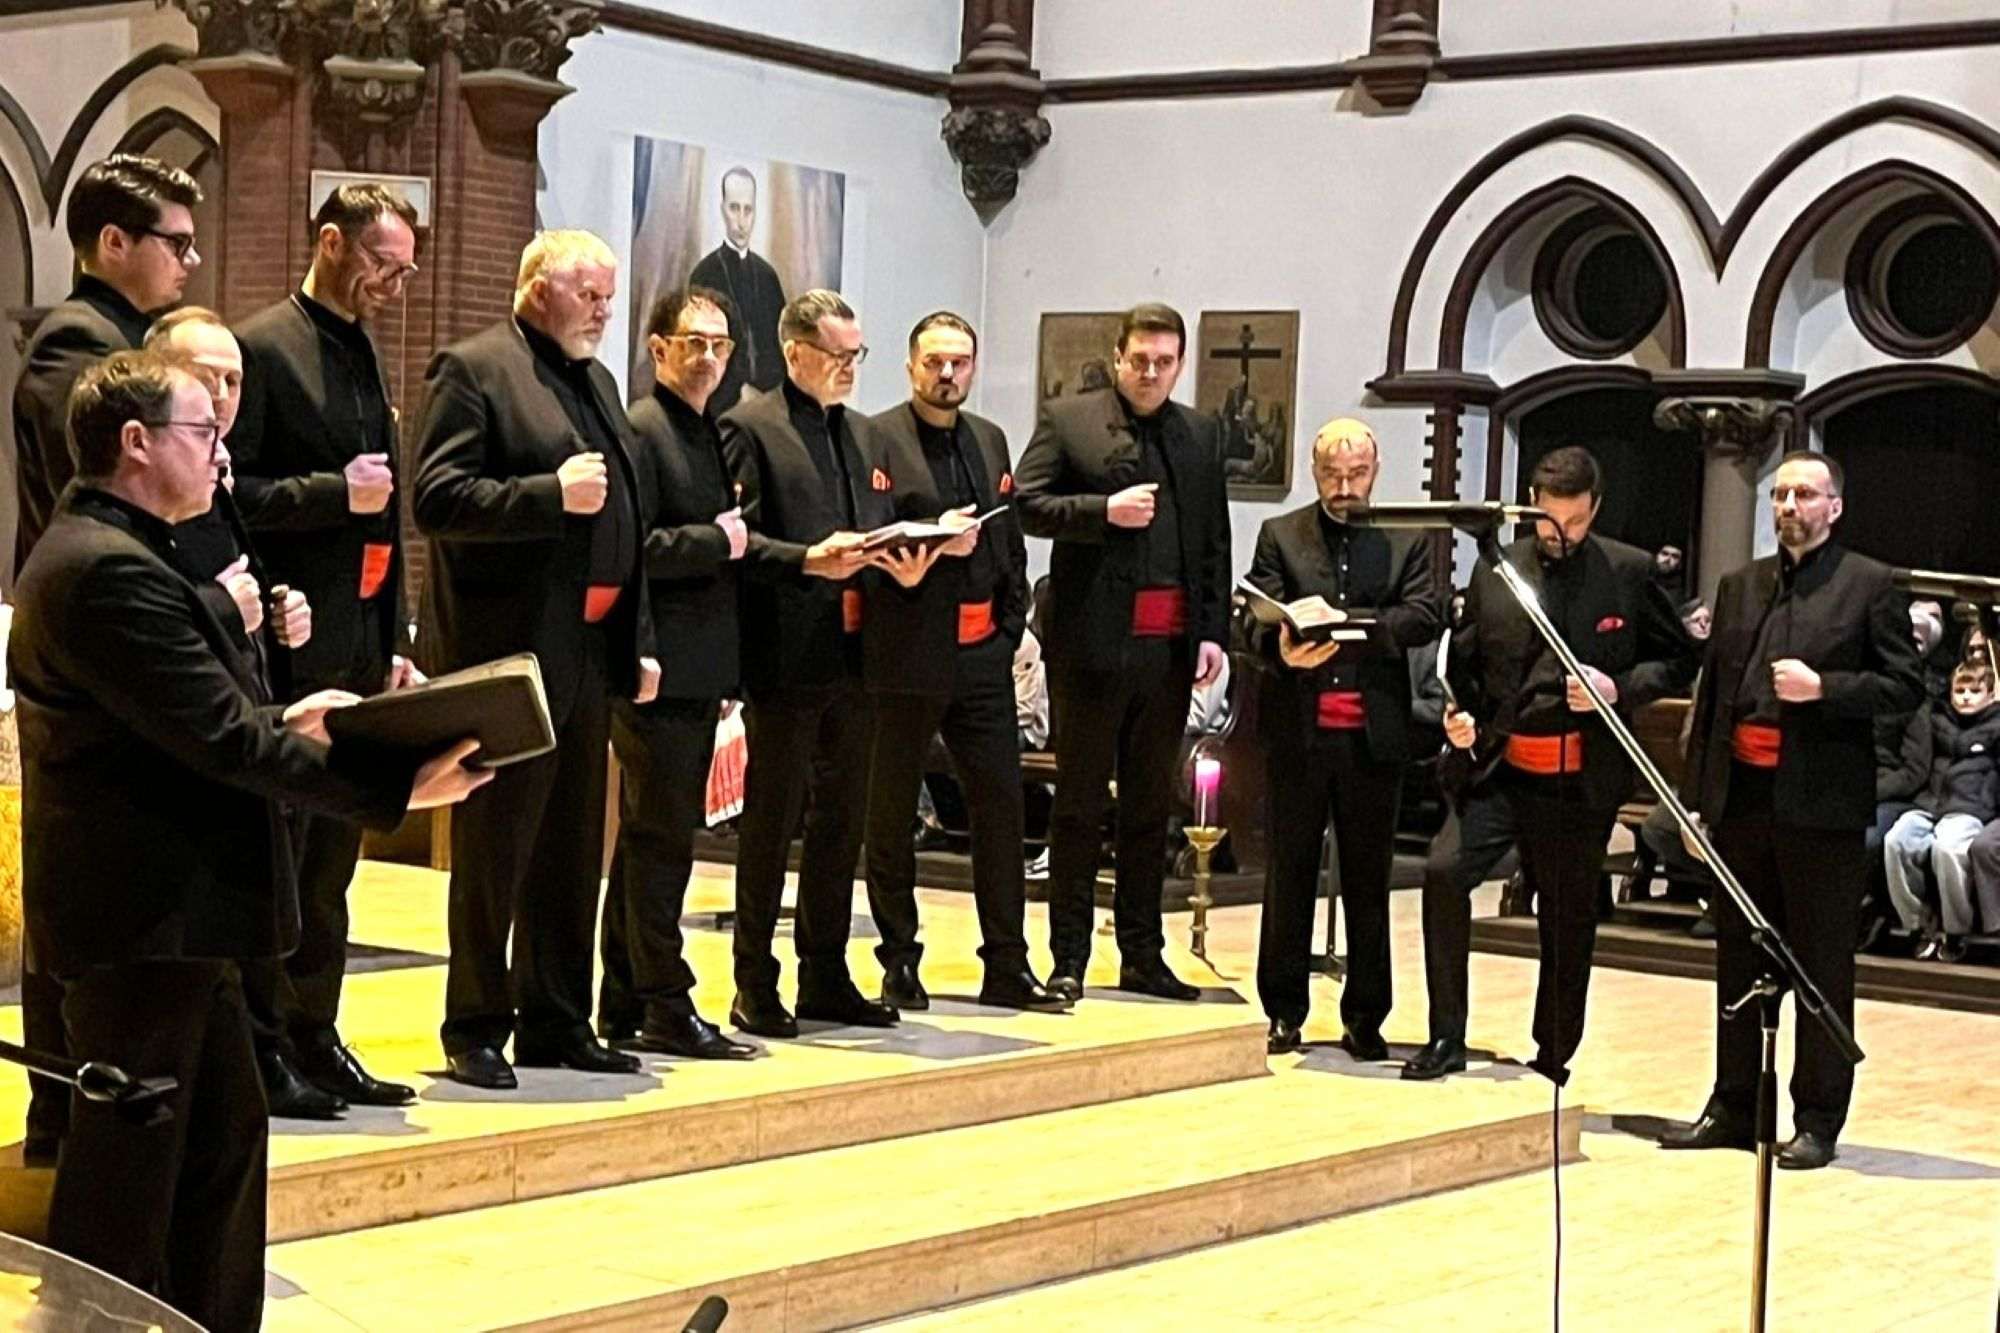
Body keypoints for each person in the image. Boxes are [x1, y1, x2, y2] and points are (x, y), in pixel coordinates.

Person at [8, 348, 485, 1330]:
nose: (222, 453)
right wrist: (391, 781)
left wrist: (297, 716)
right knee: (131, 1179)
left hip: (179, 918)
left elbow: (203, 716)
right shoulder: (102, 569)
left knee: (221, 1142)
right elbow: (219, 738)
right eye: (203, 432)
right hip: (141, 919)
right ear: (136, 443)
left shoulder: (129, 550)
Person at [413, 229, 660, 1090]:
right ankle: (476, 1023)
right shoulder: (473, 368)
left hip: (590, 646)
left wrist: (642, 637)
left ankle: (559, 1017)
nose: (604, 308)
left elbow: (629, 517)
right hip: (507, 648)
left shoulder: (595, 380)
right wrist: (547, 494)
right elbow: (437, 498)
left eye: (608, 294)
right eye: (589, 292)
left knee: (570, 841)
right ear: (536, 287)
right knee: (497, 841)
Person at [8, 152, 203, 1166]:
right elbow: (97, 485)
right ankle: (61, 1112)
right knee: (81, 893)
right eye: (174, 240)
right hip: (95, 635)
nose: (191, 258)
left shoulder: (127, 341)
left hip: (128, 628)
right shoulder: (75, 348)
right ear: (112, 243)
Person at [225, 181, 426, 1116]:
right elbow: (235, 499)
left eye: (408, 265)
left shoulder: (368, 350)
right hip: (290, 652)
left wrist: (396, 638)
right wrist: (324, 491)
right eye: (386, 261)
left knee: (333, 864)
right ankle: (264, 1045)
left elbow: (386, 519)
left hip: (357, 647)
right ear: (333, 242)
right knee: (283, 864)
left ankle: (315, 1032)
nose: (400, 279)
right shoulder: (264, 348)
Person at [1662, 450, 1921, 1170]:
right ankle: (1735, 1103)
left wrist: (1825, 688)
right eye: (1780, 494)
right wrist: (1695, 802)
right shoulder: (1740, 585)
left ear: (1834, 507)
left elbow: (1904, 687)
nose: (1789, 506)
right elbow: (1713, 698)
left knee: (1819, 965)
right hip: (1742, 799)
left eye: (1805, 494)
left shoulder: (1871, 584)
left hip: (1820, 807)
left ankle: (1817, 1117)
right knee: (1737, 954)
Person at [1406, 445, 1695, 1085]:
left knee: (1565, 920)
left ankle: (1553, 1051)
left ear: (1595, 508)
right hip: (1500, 771)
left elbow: (1677, 661)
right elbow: (1469, 667)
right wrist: (1461, 715)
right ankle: (1446, 1035)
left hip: (1577, 781)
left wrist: (1615, 687)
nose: (1558, 535)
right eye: (1545, 520)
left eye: (1573, 523)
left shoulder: (1630, 570)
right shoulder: (1498, 569)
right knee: (1444, 872)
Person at [1015, 302, 1230, 1004]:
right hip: (1091, 648)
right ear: (1117, 356)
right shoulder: (1068, 418)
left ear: (1179, 363)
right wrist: (1100, 513)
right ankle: (1069, 954)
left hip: (1168, 651)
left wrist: (1210, 634)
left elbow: (1213, 542)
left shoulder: (1199, 433)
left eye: (1164, 362)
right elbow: (1029, 504)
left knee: (1148, 808)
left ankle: (1142, 952)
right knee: (1077, 806)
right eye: (1139, 360)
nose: (1150, 372)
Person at [722, 289, 921, 1037]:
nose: (847, 370)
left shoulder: (867, 436)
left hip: (858, 652)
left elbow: (877, 525)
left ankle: (826, 973)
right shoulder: (750, 427)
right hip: (784, 652)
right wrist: (809, 560)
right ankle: (753, 979)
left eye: (855, 356)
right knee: (772, 823)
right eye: (836, 356)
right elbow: (735, 541)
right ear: (794, 352)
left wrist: (901, 561)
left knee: (843, 822)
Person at [861, 311, 1065, 1014]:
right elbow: (867, 542)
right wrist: (922, 555)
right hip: (908, 650)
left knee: (1002, 811)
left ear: (973, 368)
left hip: (983, 654)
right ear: (911, 365)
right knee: (890, 815)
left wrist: (1009, 629)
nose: (948, 374)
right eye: (935, 362)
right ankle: (899, 961)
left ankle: (1007, 964)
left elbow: (1008, 542)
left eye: (960, 362)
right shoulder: (875, 435)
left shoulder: (989, 437)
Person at [1244, 418, 1442, 1057]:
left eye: (1356, 474)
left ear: (1375, 470)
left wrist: (1360, 629)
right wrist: (1278, 644)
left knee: (1367, 878)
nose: (1344, 486)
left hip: (1372, 735)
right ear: (1313, 468)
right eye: (1332, 473)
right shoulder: (1282, 533)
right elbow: (1254, 610)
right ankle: (1283, 1009)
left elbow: (1424, 613)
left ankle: (1366, 1016)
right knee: (1290, 873)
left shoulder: (1406, 537)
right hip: (1298, 730)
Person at [596, 286, 757, 1060]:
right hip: (658, 665)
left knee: (648, 836)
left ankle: (622, 994)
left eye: (720, 345)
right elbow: (633, 549)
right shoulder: (640, 429)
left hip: (699, 665)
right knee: (661, 841)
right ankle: (665, 999)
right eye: (693, 342)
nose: (708, 358)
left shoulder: (710, 432)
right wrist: (714, 542)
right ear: (657, 346)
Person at [1882, 661, 2000, 962]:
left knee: (1946, 849)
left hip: (1969, 807)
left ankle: (1955, 930)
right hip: (1928, 804)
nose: (1966, 697)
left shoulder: (1996, 727)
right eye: (1960, 690)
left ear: (1991, 695)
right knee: (1896, 841)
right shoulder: (1937, 720)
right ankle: (1917, 923)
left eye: (1975, 691)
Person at [688, 167, 787, 414]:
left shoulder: (767, 276)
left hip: (768, 406)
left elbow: (779, 346)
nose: (742, 220)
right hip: (719, 406)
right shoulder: (705, 273)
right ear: (723, 210)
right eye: (734, 208)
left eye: (748, 210)